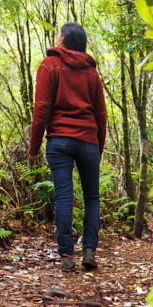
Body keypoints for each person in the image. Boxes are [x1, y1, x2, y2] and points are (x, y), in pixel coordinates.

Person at [28, 22, 107, 271]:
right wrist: (99, 146)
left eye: (57, 34)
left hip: (59, 141)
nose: (56, 37)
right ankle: (90, 252)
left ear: (62, 40)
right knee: (92, 197)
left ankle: (66, 256)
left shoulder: (49, 66)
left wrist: (34, 146)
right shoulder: (92, 74)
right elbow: (100, 115)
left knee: (64, 195)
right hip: (88, 142)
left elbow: (41, 109)